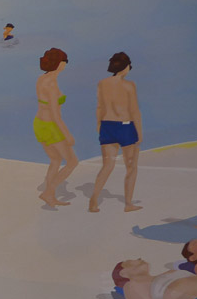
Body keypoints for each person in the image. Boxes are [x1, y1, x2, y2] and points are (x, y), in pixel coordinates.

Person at [88, 52, 142, 213]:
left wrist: (99, 125)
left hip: (107, 126)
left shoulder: (102, 83)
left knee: (107, 166)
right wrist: (139, 133)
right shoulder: (129, 85)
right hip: (125, 127)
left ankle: (94, 200)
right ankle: (128, 203)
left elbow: (100, 107)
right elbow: (134, 110)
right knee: (131, 167)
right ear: (126, 67)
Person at [33, 48, 78, 207]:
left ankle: (49, 195)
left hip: (39, 123)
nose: (65, 64)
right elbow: (55, 114)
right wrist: (67, 135)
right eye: (64, 61)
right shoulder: (51, 83)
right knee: (72, 162)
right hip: (50, 125)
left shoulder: (42, 79)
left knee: (55, 159)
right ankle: (48, 192)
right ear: (58, 63)